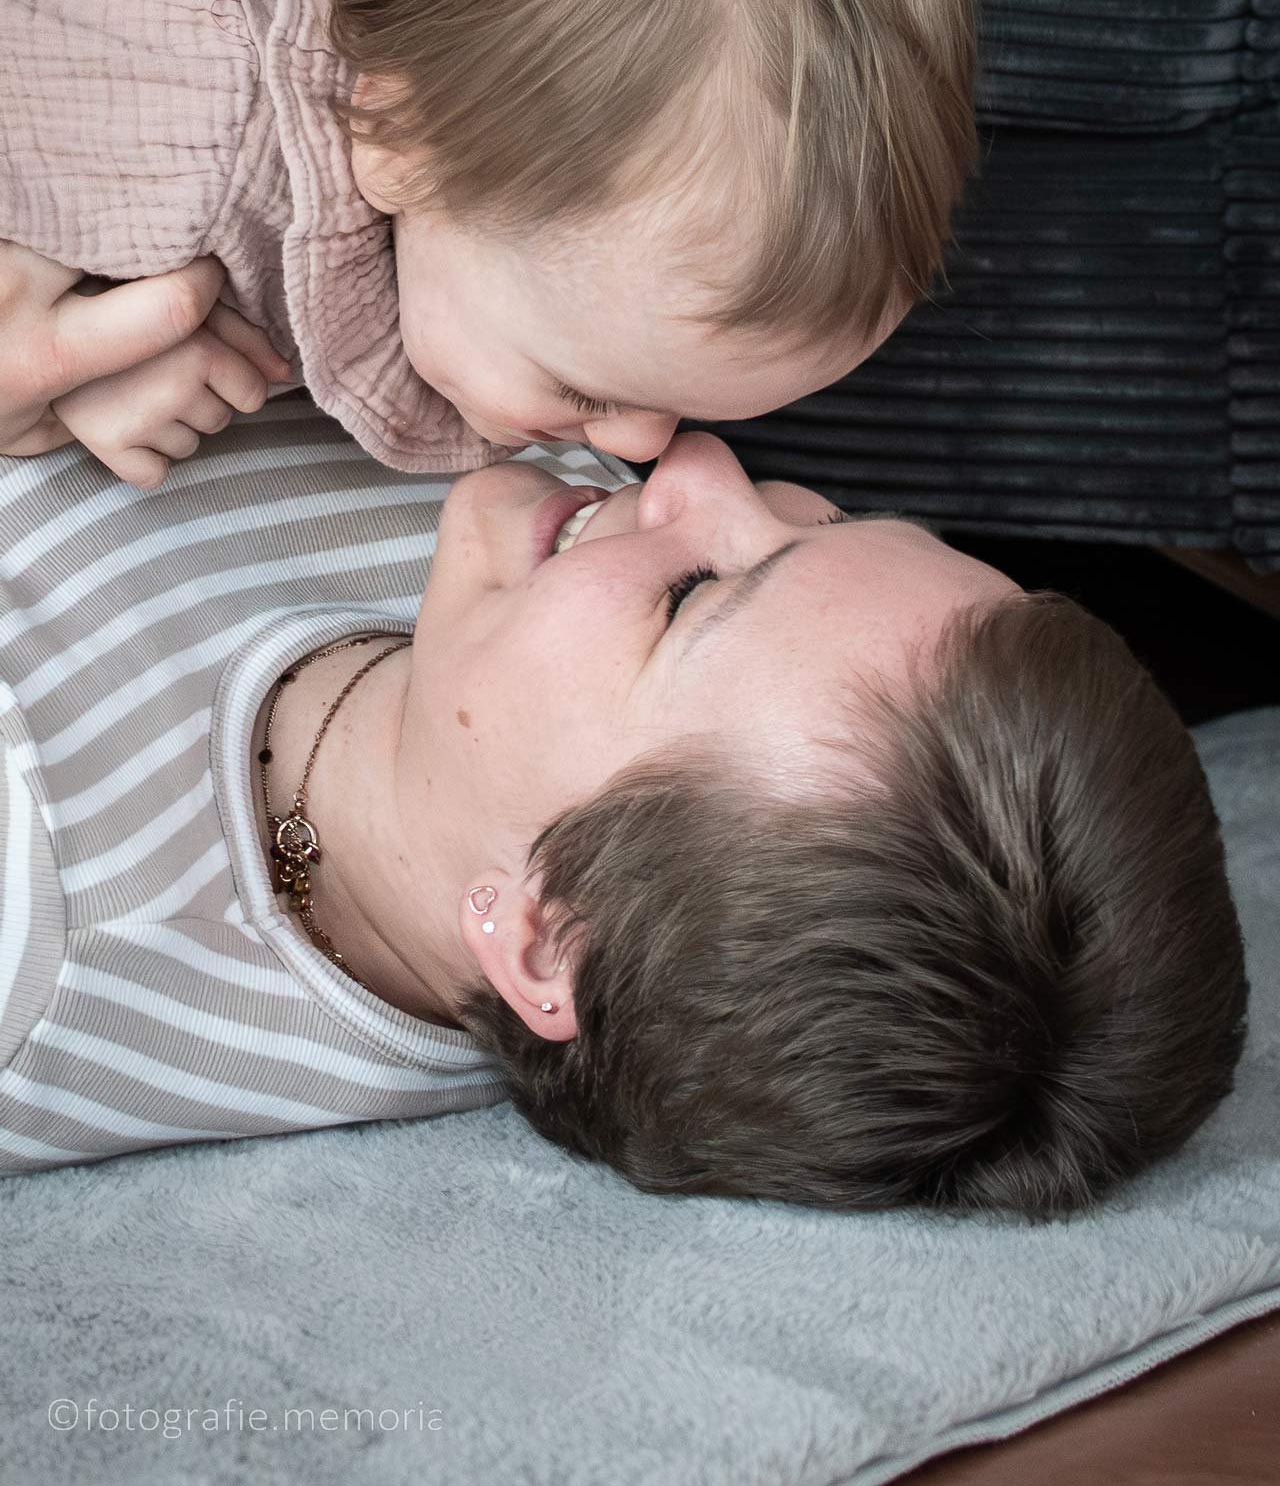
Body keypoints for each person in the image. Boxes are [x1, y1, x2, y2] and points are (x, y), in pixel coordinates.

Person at [0, 395, 1247, 1217]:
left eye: (694, 594)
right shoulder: (533, 506)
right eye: (830, 514)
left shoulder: (48, 921)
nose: (689, 460)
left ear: (545, 934)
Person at [0, 0, 976, 488]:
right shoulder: (158, 124)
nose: (645, 447)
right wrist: (45, 378)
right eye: (587, 393)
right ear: (400, 140)